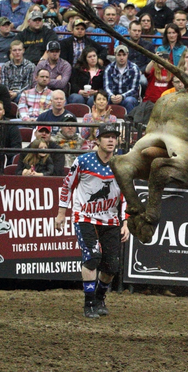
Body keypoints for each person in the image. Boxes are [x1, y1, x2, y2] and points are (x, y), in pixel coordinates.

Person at [56, 123, 130, 318]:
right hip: (85, 217)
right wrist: (61, 213)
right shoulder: (83, 161)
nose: (111, 140)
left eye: (114, 137)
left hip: (111, 220)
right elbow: (67, 186)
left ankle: (99, 297)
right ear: (98, 140)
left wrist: (126, 223)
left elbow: (127, 195)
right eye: (107, 136)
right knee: (92, 258)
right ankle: (88, 303)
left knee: (111, 267)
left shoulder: (121, 164)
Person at [104, 45, 141, 113]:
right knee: (102, 100)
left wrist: (122, 96)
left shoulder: (134, 68)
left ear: (127, 55)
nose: (122, 58)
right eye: (119, 55)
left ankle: (129, 121)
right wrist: (111, 95)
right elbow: (107, 86)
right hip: (112, 97)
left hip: (128, 97)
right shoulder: (109, 68)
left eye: (124, 55)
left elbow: (134, 89)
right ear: (115, 55)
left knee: (129, 101)